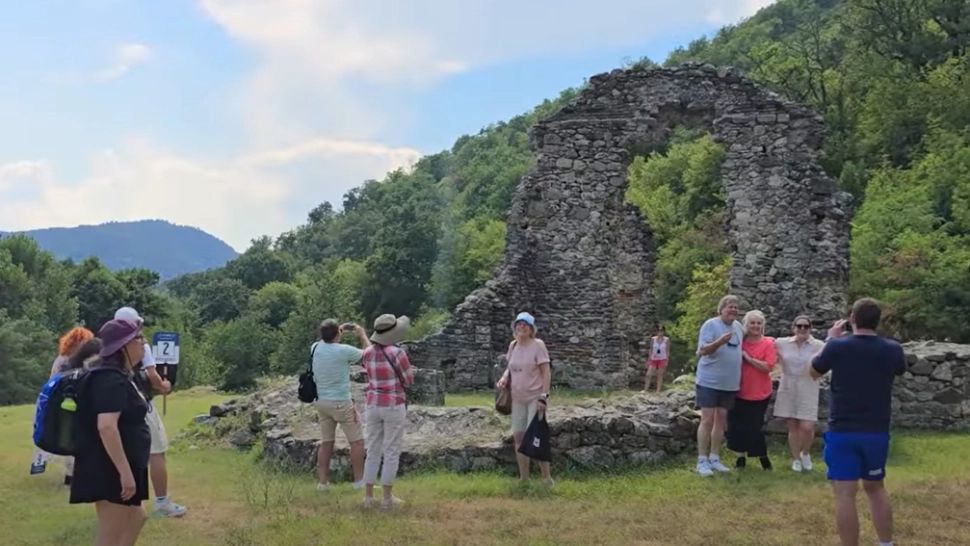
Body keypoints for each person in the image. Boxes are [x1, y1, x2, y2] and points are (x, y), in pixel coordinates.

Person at [811, 298, 905, 546]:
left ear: (852, 318)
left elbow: (813, 371)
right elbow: (899, 370)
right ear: (878, 320)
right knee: (876, 488)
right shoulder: (893, 349)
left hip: (843, 428)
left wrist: (831, 339)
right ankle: (886, 543)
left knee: (844, 493)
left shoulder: (837, 346)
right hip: (876, 429)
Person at [70, 319, 151, 546]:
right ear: (123, 345)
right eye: (138, 338)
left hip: (121, 463)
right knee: (111, 535)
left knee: (137, 516)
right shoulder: (108, 379)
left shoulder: (120, 375)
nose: (143, 343)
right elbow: (106, 426)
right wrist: (124, 473)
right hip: (110, 467)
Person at [114, 307, 187, 518]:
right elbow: (153, 377)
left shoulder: (108, 345)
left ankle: (122, 501)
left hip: (116, 406)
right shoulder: (139, 345)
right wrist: (166, 386)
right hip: (139, 403)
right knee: (156, 451)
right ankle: (162, 502)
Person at [361, 314, 414, 510]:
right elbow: (408, 380)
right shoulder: (398, 353)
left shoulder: (367, 353)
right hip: (393, 403)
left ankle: (368, 497)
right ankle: (386, 498)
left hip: (372, 404)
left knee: (373, 449)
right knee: (391, 450)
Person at [31, 327, 95, 482]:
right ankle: (72, 475)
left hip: (61, 404)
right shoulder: (69, 361)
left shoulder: (61, 359)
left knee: (68, 437)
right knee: (70, 436)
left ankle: (72, 474)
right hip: (66, 404)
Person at [496, 312, 553, 486]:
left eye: (525, 325)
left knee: (535, 437)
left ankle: (546, 478)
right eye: (519, 324)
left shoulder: (538, 345)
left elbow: (546, 372)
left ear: (531, 329)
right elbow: (511, 367)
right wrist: (505, 377)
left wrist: (544, 396)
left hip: (535, 398)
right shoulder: (513, 345)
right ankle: (524, 479)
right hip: (517, 398)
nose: (521, 327)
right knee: (518, 438)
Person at [312, 319, 370, 491]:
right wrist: (362, 335)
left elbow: (327, 342)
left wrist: (337, 331)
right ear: (337, 333)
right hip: (341, 402)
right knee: (357, 442)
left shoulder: (315, 348)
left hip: (322, 401)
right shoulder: (344, 351)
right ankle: (359, 481)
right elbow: (369, 354)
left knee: (326, 442)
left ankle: (322, 483)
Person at [693, 294, 744, 477]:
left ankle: (715, 458)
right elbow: (702, 351)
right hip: (709, 381)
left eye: (736, 307)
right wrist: (719, 342)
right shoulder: (711, 325)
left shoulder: (738, 327)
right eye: (730, 306)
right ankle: (701, 460)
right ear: (721, 309)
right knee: (707, 420)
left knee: (721, 421)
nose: (733, 310)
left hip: (729, 384)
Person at [773, 315, 825, 472]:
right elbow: (765, 346)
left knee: (807, 426)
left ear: (810, 328)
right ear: (793, 327)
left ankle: (806, 453)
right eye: (799, 326)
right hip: (788, 384)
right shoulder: (781, 343)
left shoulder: (818, 345)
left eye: (806, 326)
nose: (802, 329)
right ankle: (795, 458)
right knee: (793, 425)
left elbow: (824, 363)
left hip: (808, 384)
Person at [727, 310, 776, 470]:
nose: (755, 326)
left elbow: (767, 367)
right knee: (737, 426)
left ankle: (763, 457)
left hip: (760, 393)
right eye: (752, 323)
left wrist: (747, 358)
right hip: (739, 390)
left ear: (763, 326)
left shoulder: (768, 343)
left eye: (758, 323)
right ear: (745, 325)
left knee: (755, 427)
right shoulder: (740, 341)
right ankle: (740, 458)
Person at [644, 325, 669, 393]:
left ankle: (658, 390)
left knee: (660, 375)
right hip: (653, 358)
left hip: (662, 359)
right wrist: (649, 360)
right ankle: (645, 389)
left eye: (661, 331)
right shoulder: (653, 339)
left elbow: (667, 350)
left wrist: (667, 360)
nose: (660, 332)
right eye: (658, 331)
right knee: (648, 374)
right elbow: (651, 349)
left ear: (664, 332)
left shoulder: (666, 340)